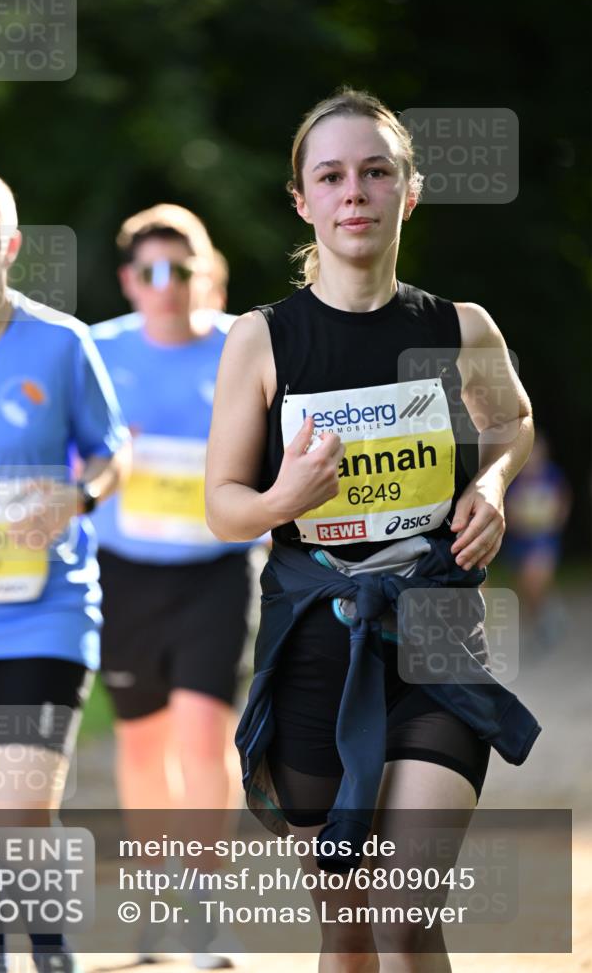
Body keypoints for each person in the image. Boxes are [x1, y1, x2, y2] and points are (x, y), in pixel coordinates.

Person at [205, 88, 541, 973]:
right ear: (303, 200)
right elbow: (222, 505)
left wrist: (494, 485)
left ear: (407, 191)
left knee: (403, 914)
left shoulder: (459, 329)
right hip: (317, 646)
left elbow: (512, 424)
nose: (354, 191)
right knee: (349, 930)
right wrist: (288, 496)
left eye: (374, 171)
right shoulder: (262, 340)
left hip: (434, 634)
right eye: (331, 175)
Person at [0, 166, 129, 973]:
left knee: (12, 806)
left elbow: (113, 454)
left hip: (48, 608)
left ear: (9, 246)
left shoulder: (61, 342)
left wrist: (76, 499)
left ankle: (46, 953)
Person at [90, 204, 253, 969]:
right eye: (150, 272)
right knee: (144, 741)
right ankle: (157, 895)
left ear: (203, 273)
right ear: (129, 281)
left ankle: (205, 910)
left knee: (201, 730)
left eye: (180, 270)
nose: (166, 285)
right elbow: (67, 455)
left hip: (216, 572)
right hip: (122, 574)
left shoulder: (240, 349)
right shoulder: (96, 351)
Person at [503, 430, 572, 648]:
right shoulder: (514, 479)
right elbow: (506, 508)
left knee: (535, 576)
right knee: (527, 585)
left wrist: (556, 520)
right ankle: (545, 617)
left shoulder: (552, 475)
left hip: (544, 537)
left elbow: (562, 498)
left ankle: (547, 619)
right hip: (520, 540)